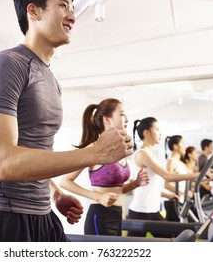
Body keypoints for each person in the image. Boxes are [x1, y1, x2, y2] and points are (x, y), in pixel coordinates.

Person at [0, 0, 134, 242]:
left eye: (72, 8)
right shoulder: (6, 65)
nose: (72, 16)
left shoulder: (51, 79)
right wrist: (93, 153)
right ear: (34, 11)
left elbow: (35, 151)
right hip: (0, 216)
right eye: (63, 6)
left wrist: (54, 193)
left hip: (42, 215)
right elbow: (3, 163)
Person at [60, 99, 149, 236]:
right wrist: (98, 197)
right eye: (122, 114)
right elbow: (65, 181)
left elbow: (116, 191)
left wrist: (136, 184)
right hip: (100, 216)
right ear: (107, 119)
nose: (127, 119)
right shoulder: (94, 148)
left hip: (118, 215)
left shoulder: (120, 151)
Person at [127, 118, 199, 237]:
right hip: (141, 211)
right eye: (157, 129)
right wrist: (197, 175)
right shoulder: (143, 154)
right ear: (146, 133)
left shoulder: (151, 154)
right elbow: (168, 176)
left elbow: (151, 185)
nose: (160, 133)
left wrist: (168, 195)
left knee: (170, 239)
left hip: (153, 211)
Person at [163, 135, 194, 222]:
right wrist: (183, 193)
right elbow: (166, 184)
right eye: (183, 143)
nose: (185, 146)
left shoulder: (181, 163)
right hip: (174, 202)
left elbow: (194, 176)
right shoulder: (171, 161)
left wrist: (212, 177)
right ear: (175, 146)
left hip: (181, 201)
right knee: (179, 230)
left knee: (177, 231)